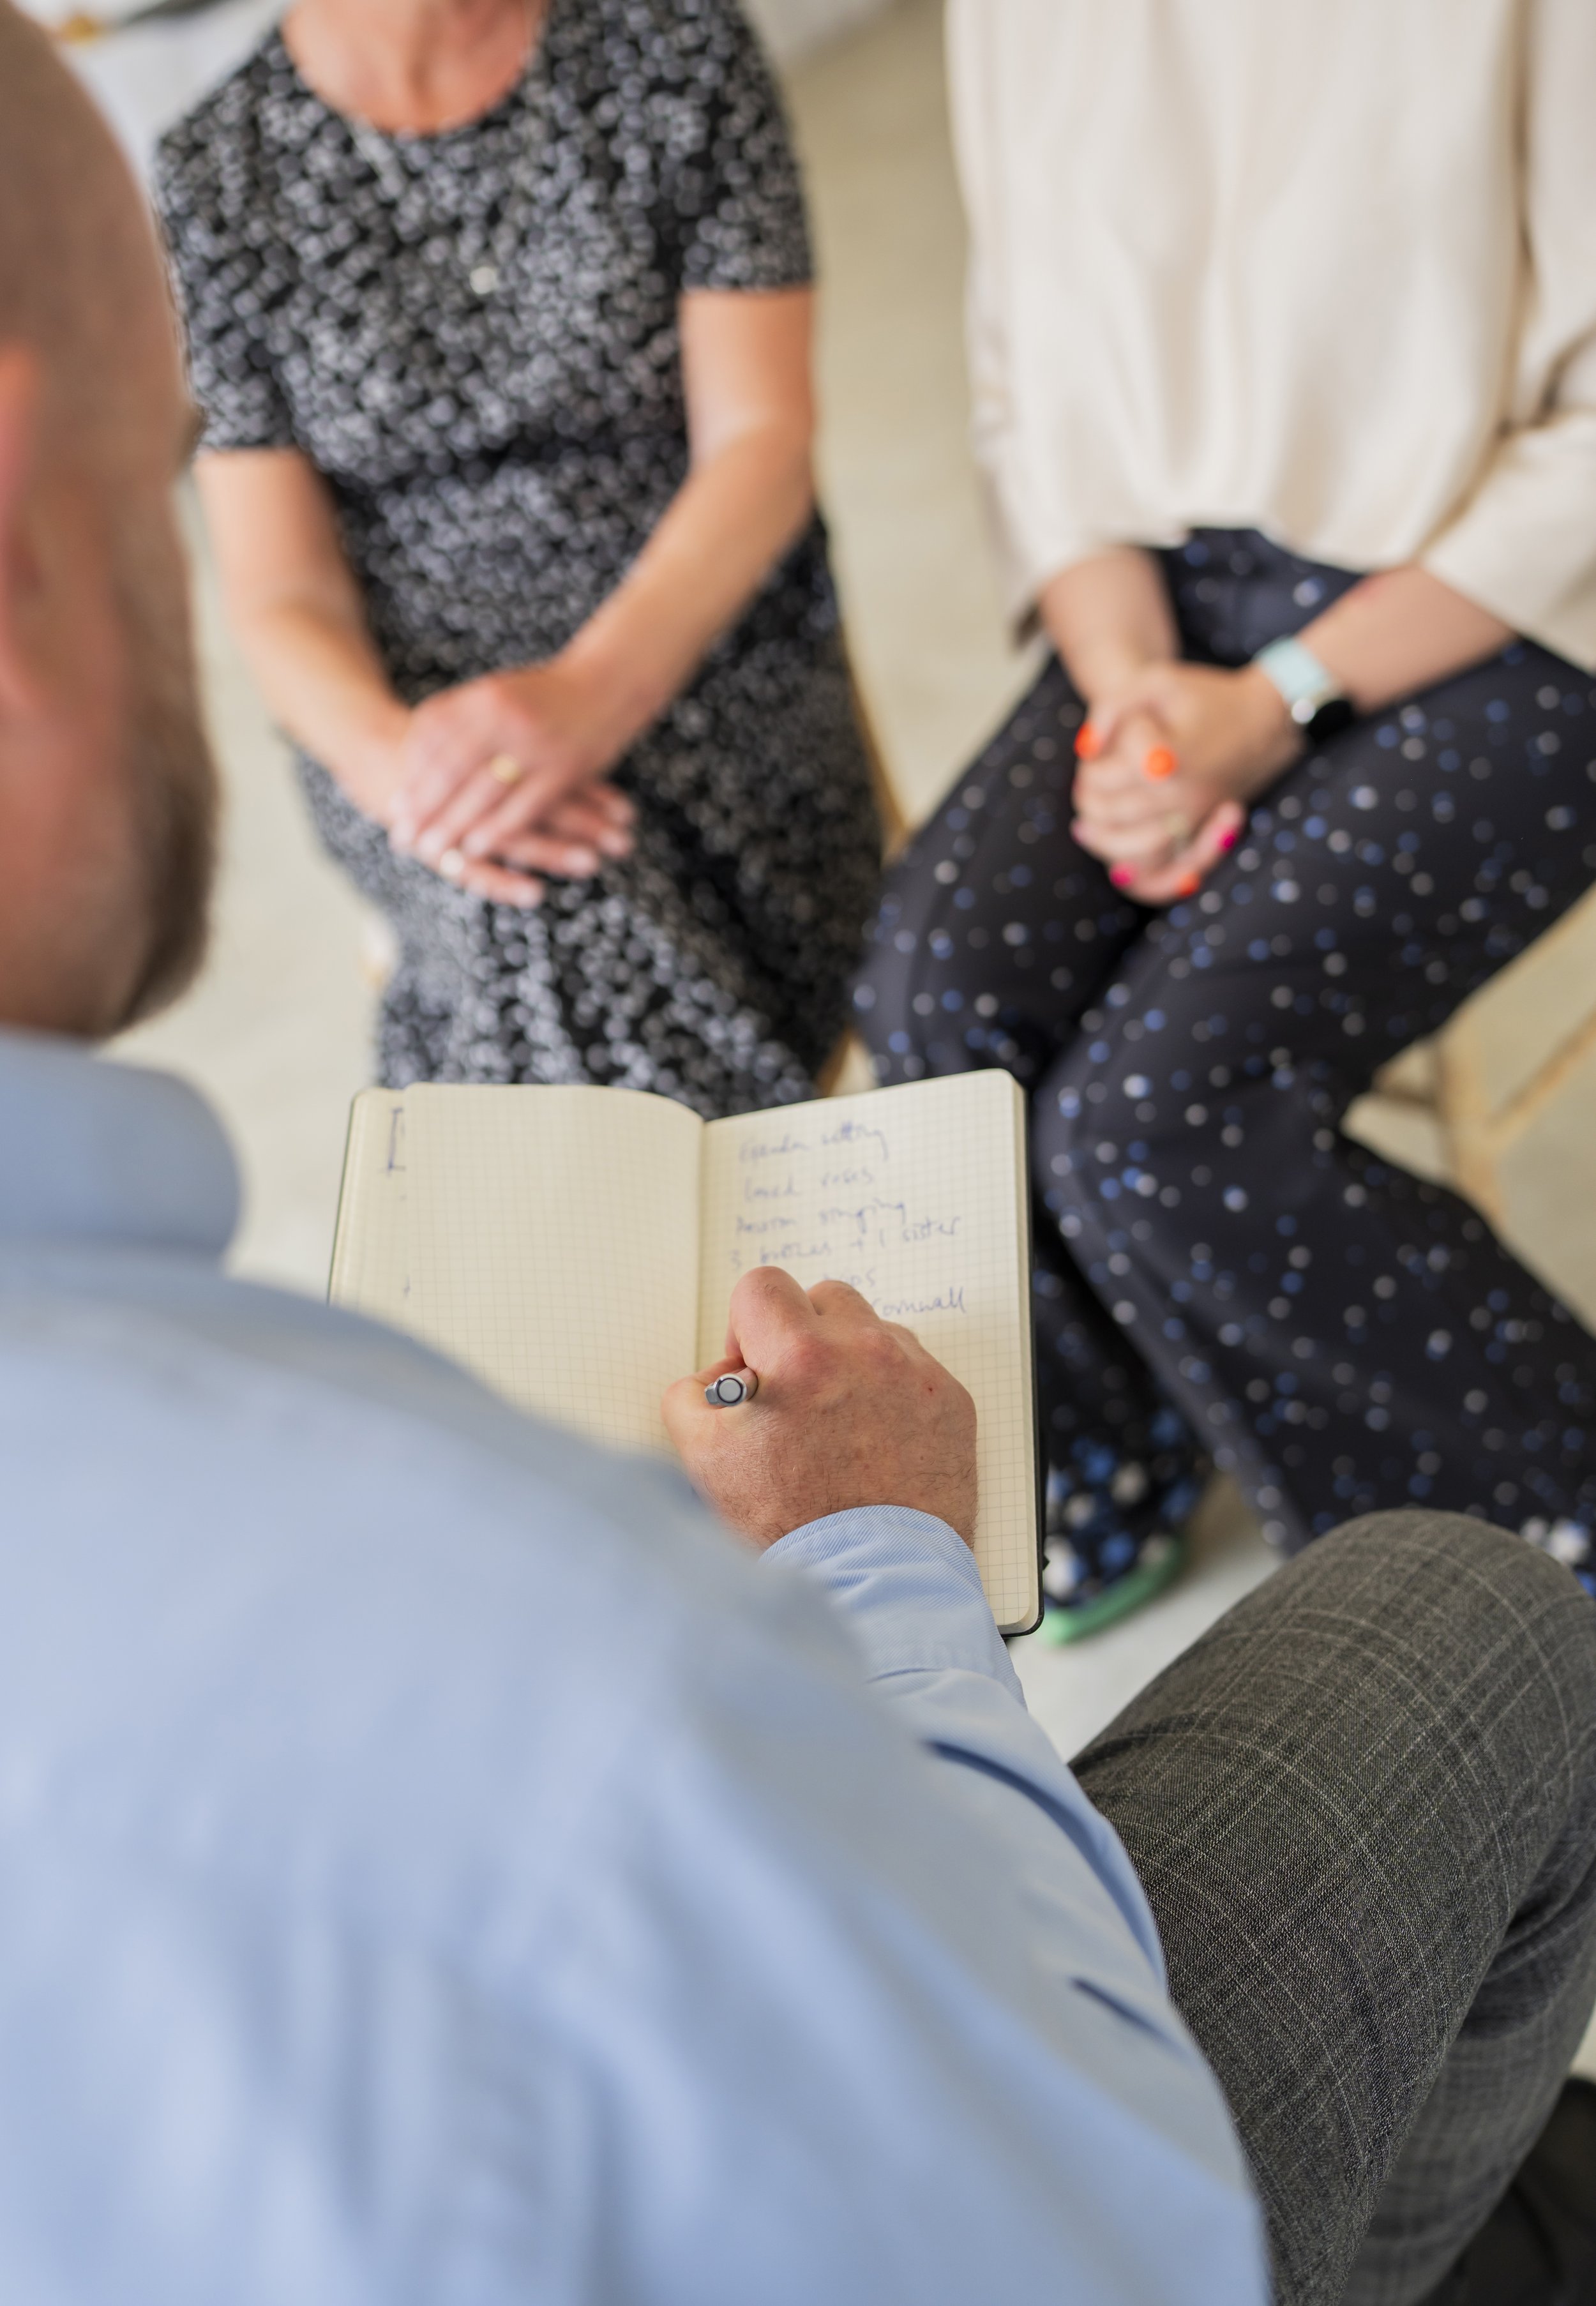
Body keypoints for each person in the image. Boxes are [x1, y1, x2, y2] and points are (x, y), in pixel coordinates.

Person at [1, 14, 1594, 2303]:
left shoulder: (664, 59)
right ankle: (1081, 1468)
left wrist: (1255, 701)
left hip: (1325, 635)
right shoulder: (583, 1693)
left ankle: (1365, 1457)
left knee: (1114, 1114)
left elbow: (780, 450)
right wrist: (874, 1579)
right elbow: (1059, 2200)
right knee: (945, 1037)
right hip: (913, 677)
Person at [855, 0, 1596, 1637]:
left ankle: (1546, 1502)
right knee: (937, 994)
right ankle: (1116, 1450)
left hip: (1523, 597)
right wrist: (1135, 696)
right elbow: (1027, 396)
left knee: (1147, 1130)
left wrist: (1274, 703)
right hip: (1174, 590)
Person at [153, 0, 880, 1112]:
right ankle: (765, 1255)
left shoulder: (677, 50)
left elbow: (760, 444)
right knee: (536, 898)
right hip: (410, 725)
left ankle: (599, 1270)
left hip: (696, 647)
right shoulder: (213, 175)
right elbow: (279, 589)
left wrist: (592, 695)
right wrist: (405, 771)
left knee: (562, 926)